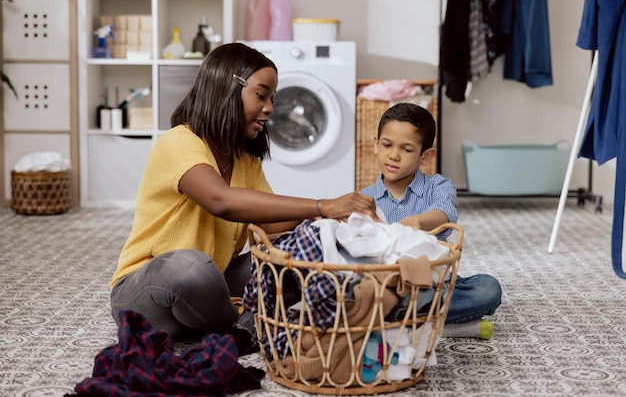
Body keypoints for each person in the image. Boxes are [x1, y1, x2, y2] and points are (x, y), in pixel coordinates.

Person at [109, 42, 378, 354]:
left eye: (272, 99)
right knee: (190, 267)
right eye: (261, 95)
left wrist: (323, 222)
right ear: (226, 87)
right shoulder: (179, 141)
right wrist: (323, 204)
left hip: (214, 285)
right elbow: (220, 200)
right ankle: (250, 325)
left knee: (291, 260)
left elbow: (270, 222)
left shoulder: (244, 159)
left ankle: (238, 332)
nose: (270, 109)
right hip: (149, 292)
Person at [360, 102, 502, 339]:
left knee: (488, 289)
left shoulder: (438, 186)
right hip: (387, 287)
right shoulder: (365, 197)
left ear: (426, 156)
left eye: (406, 150)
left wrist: (416, 222)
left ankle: (396, 321)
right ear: (376, 145)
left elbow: (444, 212)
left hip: (432, 287)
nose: (393, 155)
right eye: (387, 145)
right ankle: (429, 323)